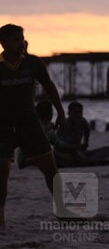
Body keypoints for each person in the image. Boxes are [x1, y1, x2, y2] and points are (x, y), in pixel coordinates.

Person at [0, 24, 64, 227]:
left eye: (22, 38)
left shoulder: (33, 63)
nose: (21, 43)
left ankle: (64, 211)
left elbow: (49, 86)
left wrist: (61, 112)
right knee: (1, 177)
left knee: (51, 169)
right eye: (15, 40)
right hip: (3, 125)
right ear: (3, 43)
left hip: (29, 122)